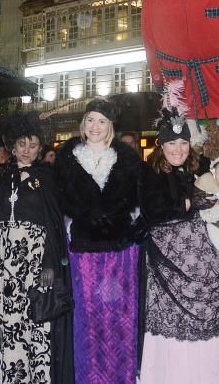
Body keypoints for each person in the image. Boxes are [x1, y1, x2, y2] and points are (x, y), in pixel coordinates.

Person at [139, 111, 219, 384]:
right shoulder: (149, 172)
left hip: (207, 266)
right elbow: (152, 212)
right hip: (169, 266)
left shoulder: (203, 165)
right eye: (172, 143)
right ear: (161, 145)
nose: (178, 149)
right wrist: (189, 204)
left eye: (183, 142)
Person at [0, 112, 72, 384]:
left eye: (33, 145)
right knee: (2, 320)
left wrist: (50, 264)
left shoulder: (48, 179)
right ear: (12, 146)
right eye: (22, 144)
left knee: (30, 321)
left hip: (33, 259)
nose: (27, 150)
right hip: (0, 261)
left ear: (40, 148)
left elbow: (54, 226)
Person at [55, 98, 141, 384]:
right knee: (88, 317)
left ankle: (122, 376)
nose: (95, 126)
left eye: (101, 121)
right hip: (84, 252)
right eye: (90, 120)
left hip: (121, 252)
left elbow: (138, 203)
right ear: (82, 124)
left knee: (119, 314)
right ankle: (88, 377)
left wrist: (130, 225)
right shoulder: (67, 159)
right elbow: (62, 206)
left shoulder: (127, 159)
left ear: (110, 127)